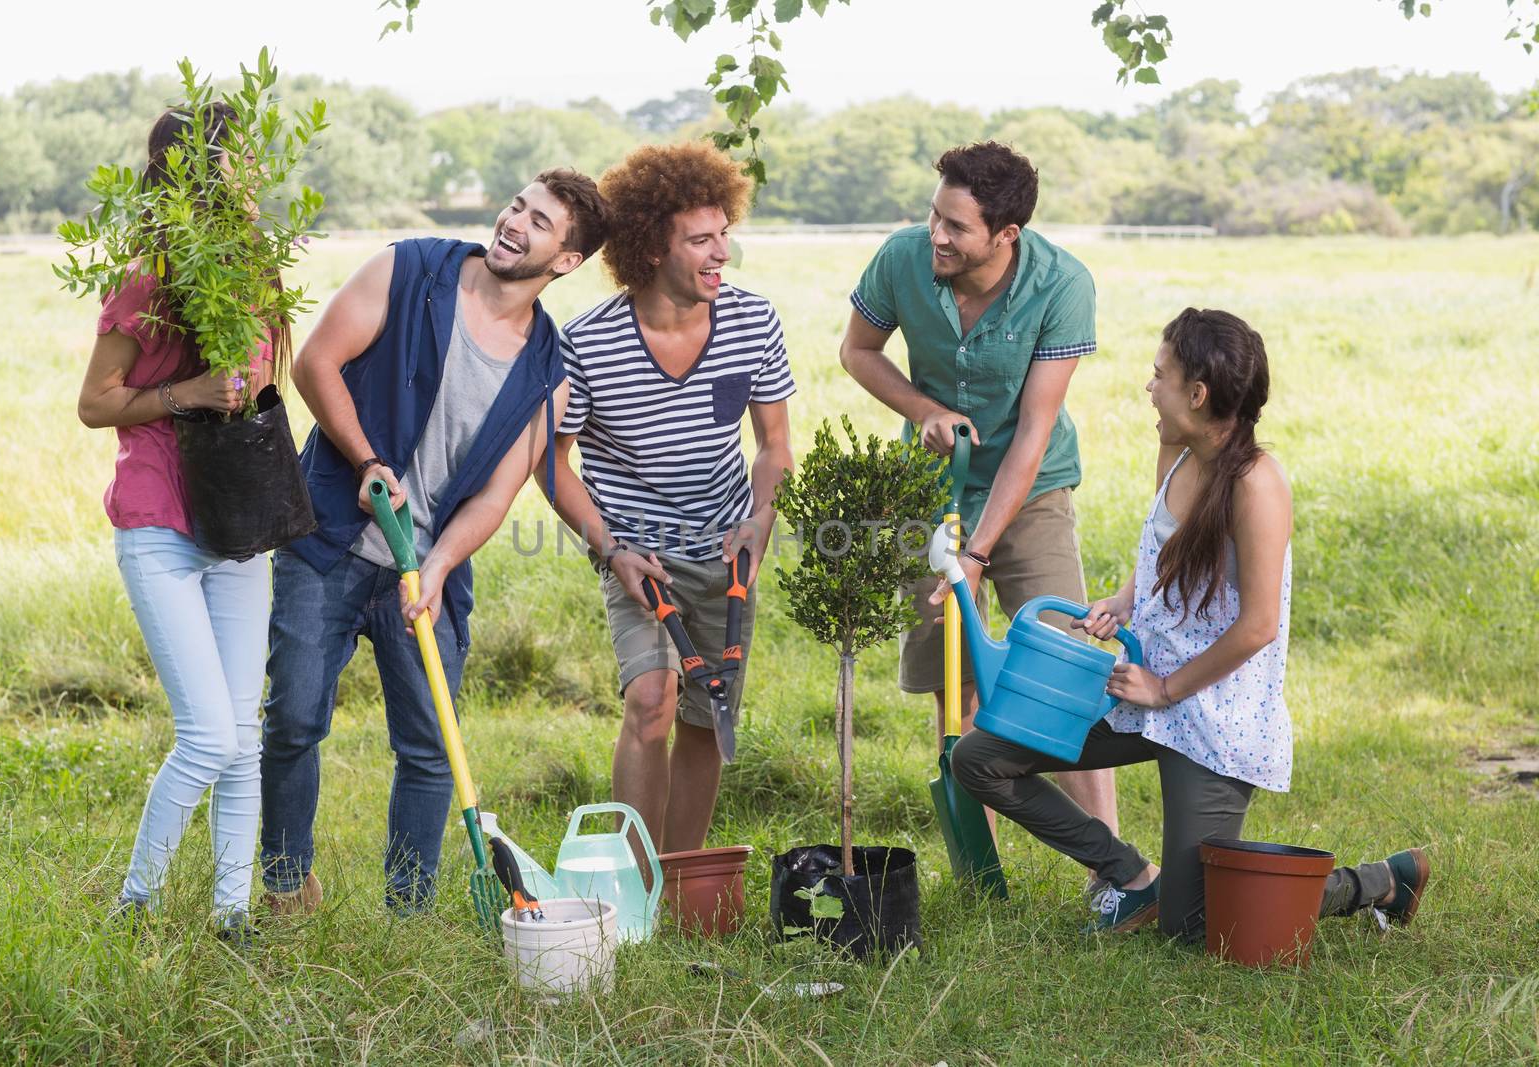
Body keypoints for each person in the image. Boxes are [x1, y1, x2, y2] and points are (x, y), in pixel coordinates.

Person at [952, 308, 1430, 938]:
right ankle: (1131, 875)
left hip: (1211, 710)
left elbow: (1258, 626)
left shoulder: (1257, 484)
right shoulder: (1177, 448)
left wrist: (1167, 689)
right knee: (980, 758)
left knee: (1197, 926)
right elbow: (1160, 551)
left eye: (1160, 375)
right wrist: (1126, 599)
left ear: (1198, 395)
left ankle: (1379, 883)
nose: (1149, 386)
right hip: (1141, 690)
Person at [258, 169, 610, 915]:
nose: (515, 222)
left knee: (428, 749)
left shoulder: (550, 373)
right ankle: (287, 881)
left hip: (426, 570)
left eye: (540, 223)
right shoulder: (409, 268)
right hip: (330, 538)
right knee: (292, 717)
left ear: (567, 260)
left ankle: (407, 909)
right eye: (518, 205)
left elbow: (495, 494)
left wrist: (443, 564)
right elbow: (314, 363)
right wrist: (366, 460)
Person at [838, 140, 1119, 878]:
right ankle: (980, 864)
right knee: (954, 676)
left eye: (956, 227)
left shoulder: (1062, 284)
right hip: (931, 490)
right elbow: (857, 352)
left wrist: (978, 552)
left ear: (1005, 236)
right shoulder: (902, 259)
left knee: (1061, 669)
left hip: (1031, 491)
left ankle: (1110, 870)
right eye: (935, 216)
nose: (937, 235)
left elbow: (1033, 429)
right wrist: (923, 407)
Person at [547, 142, 795, 853]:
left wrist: (759, 518)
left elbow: (774, 444)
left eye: (725, 234)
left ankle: (682, 877)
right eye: (701, 240)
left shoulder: (752, 322)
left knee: (706, 714)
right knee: (651, 701)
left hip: (726, 552)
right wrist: (614, 548)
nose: (723, 253)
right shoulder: (587, 344)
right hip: (637, 555)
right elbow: (553, 465)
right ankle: (635, 882)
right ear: (652, 246)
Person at [78, 103, 275, 943]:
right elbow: (94, 404)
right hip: (160, 521)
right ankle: (136, 902)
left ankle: (233, 915)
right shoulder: (146, 278)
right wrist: (189, 393)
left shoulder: (254, 276)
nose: (251, 174)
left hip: (236, 521)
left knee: (245, 734)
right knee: (206, 735)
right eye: (237, 161)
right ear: (199, 173)